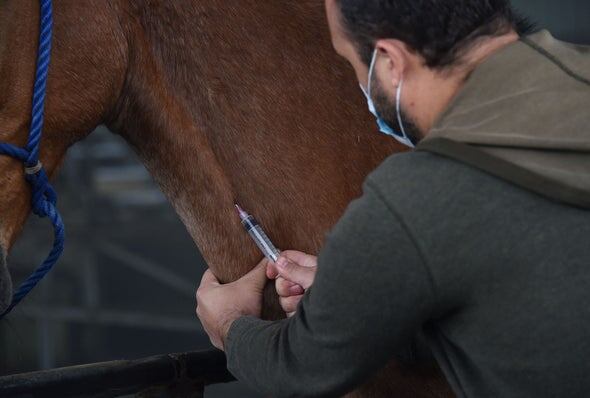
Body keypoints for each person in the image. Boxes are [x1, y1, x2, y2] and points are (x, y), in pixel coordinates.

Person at [196, 0, 590, 396]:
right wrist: (373, 289)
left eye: (350, 63)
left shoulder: (416, 198)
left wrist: (230, 325)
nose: (359, 84)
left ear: (388, 62)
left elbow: (302, 366)